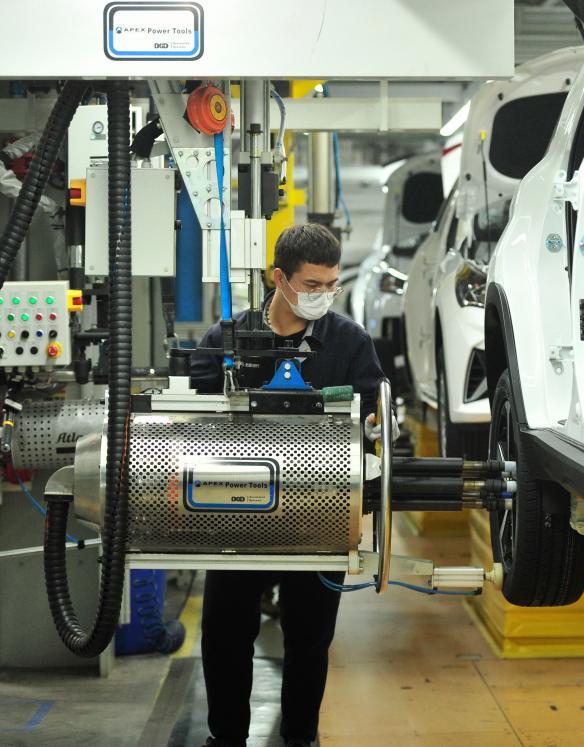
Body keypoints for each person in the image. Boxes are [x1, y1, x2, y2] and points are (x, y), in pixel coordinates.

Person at [191, 223, 385, 747]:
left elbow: (374, 415)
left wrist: (371, 430)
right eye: (312, 285)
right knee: (225, 637)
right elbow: (190, 422)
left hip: (318, 517)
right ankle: (226, 738)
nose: (323, 295)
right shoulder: (227, 338)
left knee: (309, 641)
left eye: (331, 285)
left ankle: (300, 738)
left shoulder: (349, 342)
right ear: (279, 278)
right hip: (235, 514)